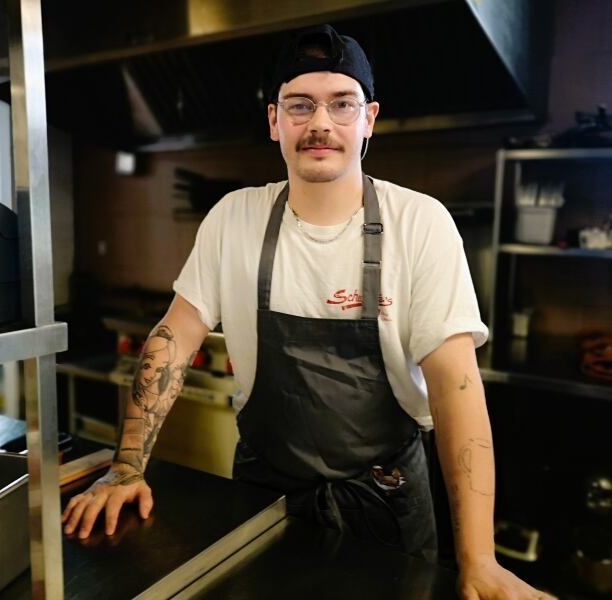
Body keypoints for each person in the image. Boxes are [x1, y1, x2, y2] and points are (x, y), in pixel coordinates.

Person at [63, 24, 554, 599]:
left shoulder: (419, 223)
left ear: (368, 119)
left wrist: (480, 561)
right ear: (275, 121)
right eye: (300, 105)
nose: (320, 122)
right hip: (262, 501)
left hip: (387, 505)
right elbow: (174, 334)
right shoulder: (234, 218)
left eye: (341, 104)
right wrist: (126, 465)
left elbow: (456, 388)